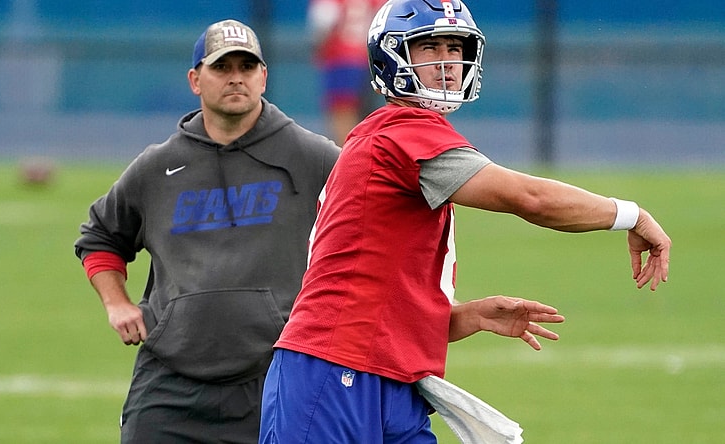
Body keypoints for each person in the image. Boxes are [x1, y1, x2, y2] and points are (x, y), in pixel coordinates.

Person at [258, 0, 672, 442]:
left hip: (388, 375)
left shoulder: (390, 134)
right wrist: (631, 214)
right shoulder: (402, 131)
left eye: (455, 48)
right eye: (429, 47)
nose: (447, 63)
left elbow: (374, 289)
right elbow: (528, 198)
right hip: (335, 369)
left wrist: (463, 318)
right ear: (391, 54)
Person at [74, 19, 340, 443]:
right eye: (221, 67)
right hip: (169, 380)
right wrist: (117, 303)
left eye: (247, 66)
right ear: (195, 80)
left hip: (274, 377)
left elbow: (368, 228)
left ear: (264, 77)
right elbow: (101, 237)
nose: (236, 77)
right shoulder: (157, 166)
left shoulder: (314, 158)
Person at [307, 0, 384, 145]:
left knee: (342, 115)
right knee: (366, 117)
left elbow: (323, 21)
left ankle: (349, 158)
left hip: (340, 59)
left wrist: (319, 50)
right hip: (367, 60)